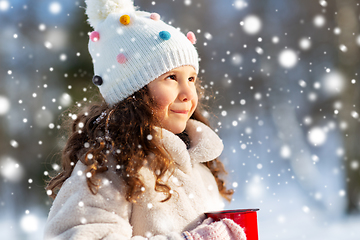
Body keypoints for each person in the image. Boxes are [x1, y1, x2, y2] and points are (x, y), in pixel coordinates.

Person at [44, 0, 246, 239]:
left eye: (192, 79)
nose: (189, 94)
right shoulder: (109, 164)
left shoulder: (200, 166)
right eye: (172, 77)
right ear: (134, 93)